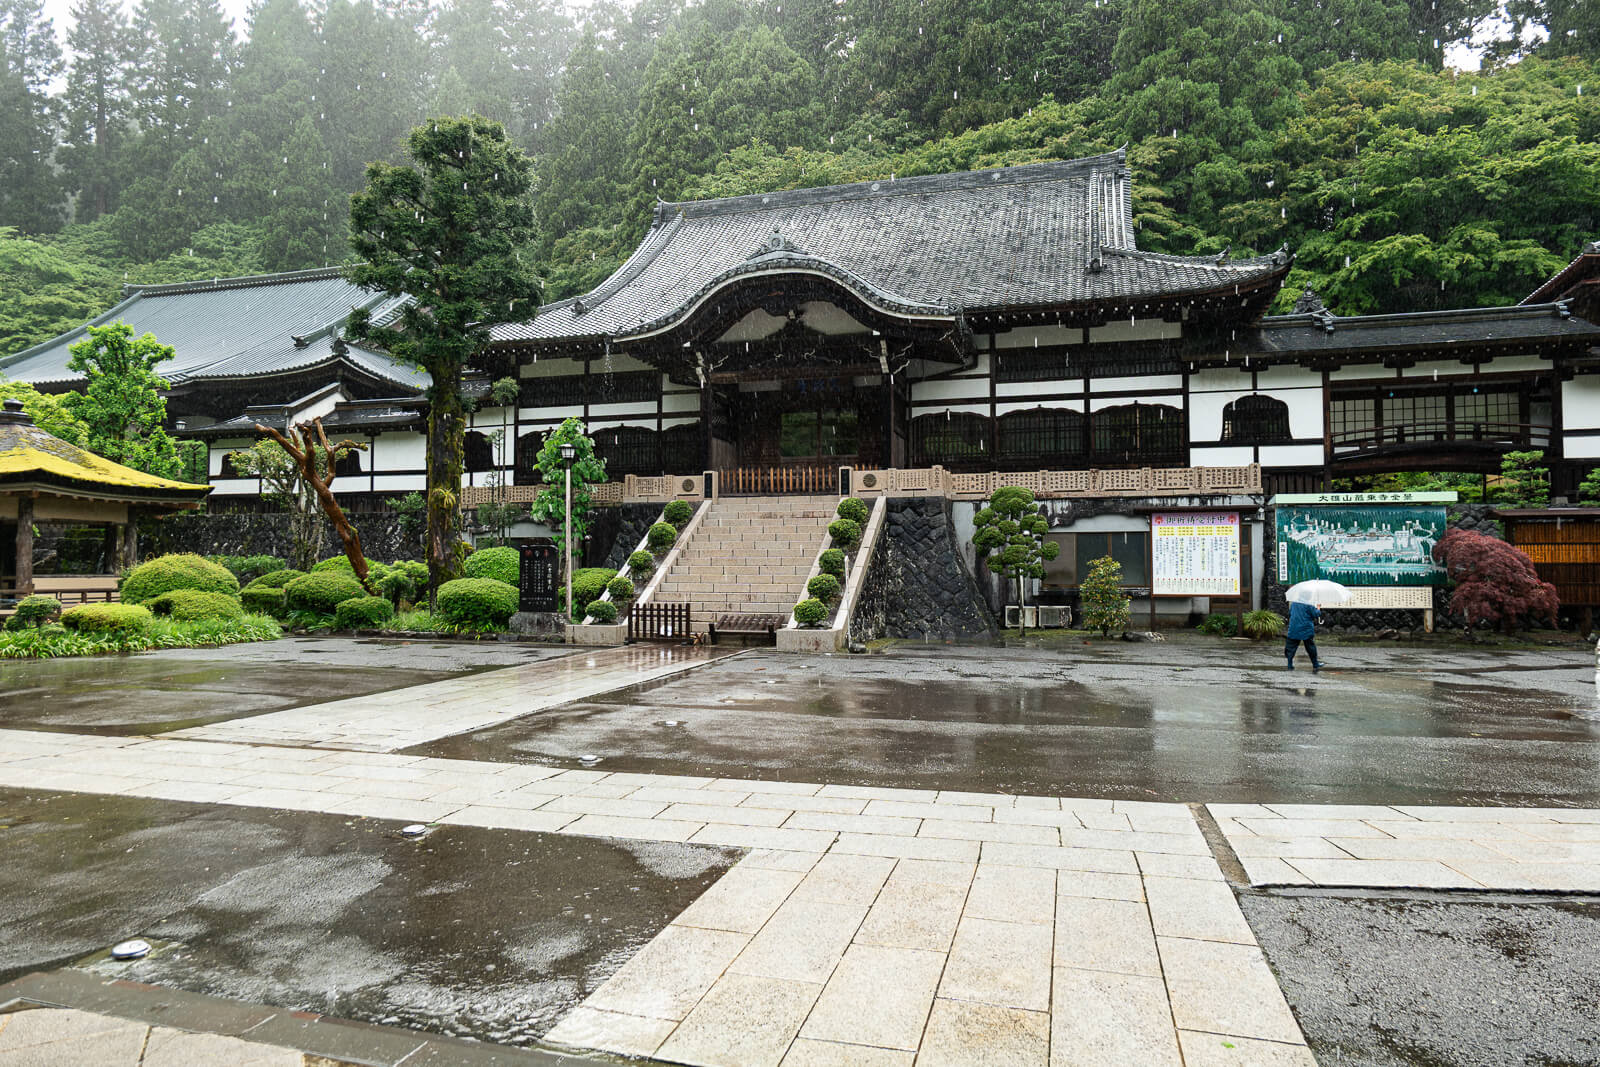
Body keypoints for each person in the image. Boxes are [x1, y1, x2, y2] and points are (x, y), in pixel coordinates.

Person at [1285, 599, 1325, 672]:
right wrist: (1318, 608)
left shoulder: (1294, 603)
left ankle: (1289, 665)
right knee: (1310, 647)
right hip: (1306, 629)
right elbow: (1316, 614)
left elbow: (1290, 613)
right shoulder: (1309, 604)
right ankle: (1315, 664)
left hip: (1294, 628)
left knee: (1291, 647)